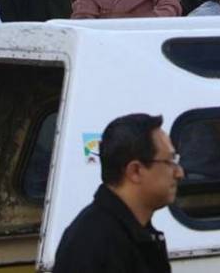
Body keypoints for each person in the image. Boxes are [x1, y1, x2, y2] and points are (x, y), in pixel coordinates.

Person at [53, 113, 180, 273]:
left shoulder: (136, 234)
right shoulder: (93, 243)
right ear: (135, 171)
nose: (179, 173)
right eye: (169, 162)